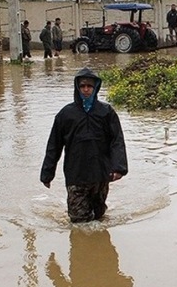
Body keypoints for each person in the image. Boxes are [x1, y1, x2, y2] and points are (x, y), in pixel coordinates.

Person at [40, 67, 128, 223]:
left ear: (95, 88)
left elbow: (117, 141)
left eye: (89, 86)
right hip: (76, 175)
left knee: (99, 217)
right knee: (79, 221)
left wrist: (119, 167)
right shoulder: (65, 115)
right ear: (77, 88)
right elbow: (54, 145)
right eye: (82, 86)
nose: (86, 90)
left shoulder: (106, 112)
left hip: (100, 175)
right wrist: (47, 174)